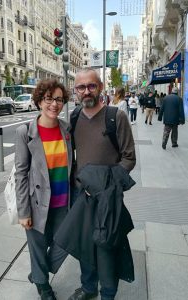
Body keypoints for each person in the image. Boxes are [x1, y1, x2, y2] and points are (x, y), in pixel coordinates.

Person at [67, 68, 136, 300]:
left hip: (109, 198)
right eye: (81, 87)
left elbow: (129, 157)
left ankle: (108, 293)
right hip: (82, 197)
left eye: (91, 86)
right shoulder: (74, 117)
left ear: (101, 87)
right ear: (75, 90)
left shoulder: (116, 116)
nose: (86, 91)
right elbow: (74, 156)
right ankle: (88, 289)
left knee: (108, 248)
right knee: (85, 246)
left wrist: (108, 186)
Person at [14, 79, 72, 300]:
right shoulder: (26, 132)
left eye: (58, 99)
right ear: (39, 101)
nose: (54, 104)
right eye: (48, 99)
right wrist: (23, 211)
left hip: (63, 202)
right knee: (38, 247)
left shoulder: (66, 129)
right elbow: (20, 173)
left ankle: (38, 273)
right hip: (37, 203)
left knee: (65, 243)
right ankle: (43, 286)